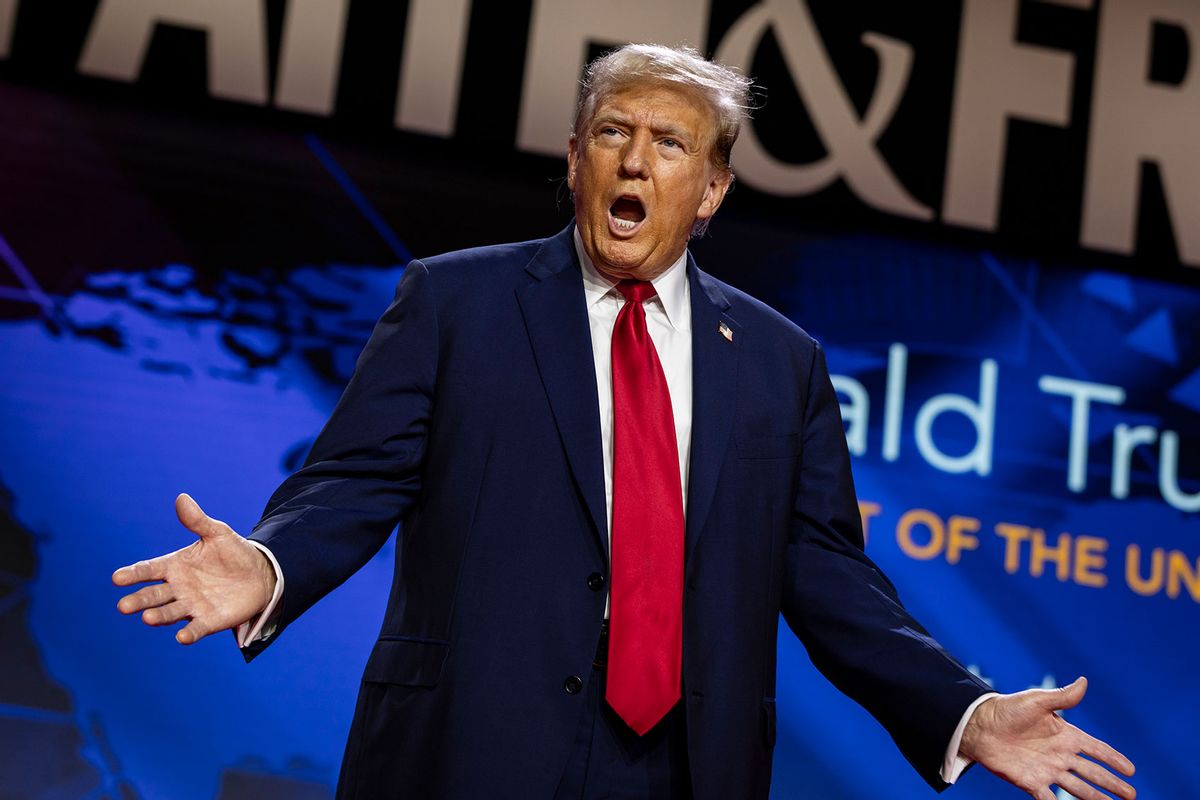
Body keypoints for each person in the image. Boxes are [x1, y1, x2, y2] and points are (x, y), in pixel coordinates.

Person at [114, 44, 1136, 800]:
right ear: (575, 159)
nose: (636, 162)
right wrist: (269, 562)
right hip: (466, 753)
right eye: (615, 133)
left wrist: (963, 706)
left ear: (713, 189)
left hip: (686, 773)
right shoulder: (455, 304)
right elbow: (353, 479)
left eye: (669, 144)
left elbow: (829, 579)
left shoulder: (784, 364)